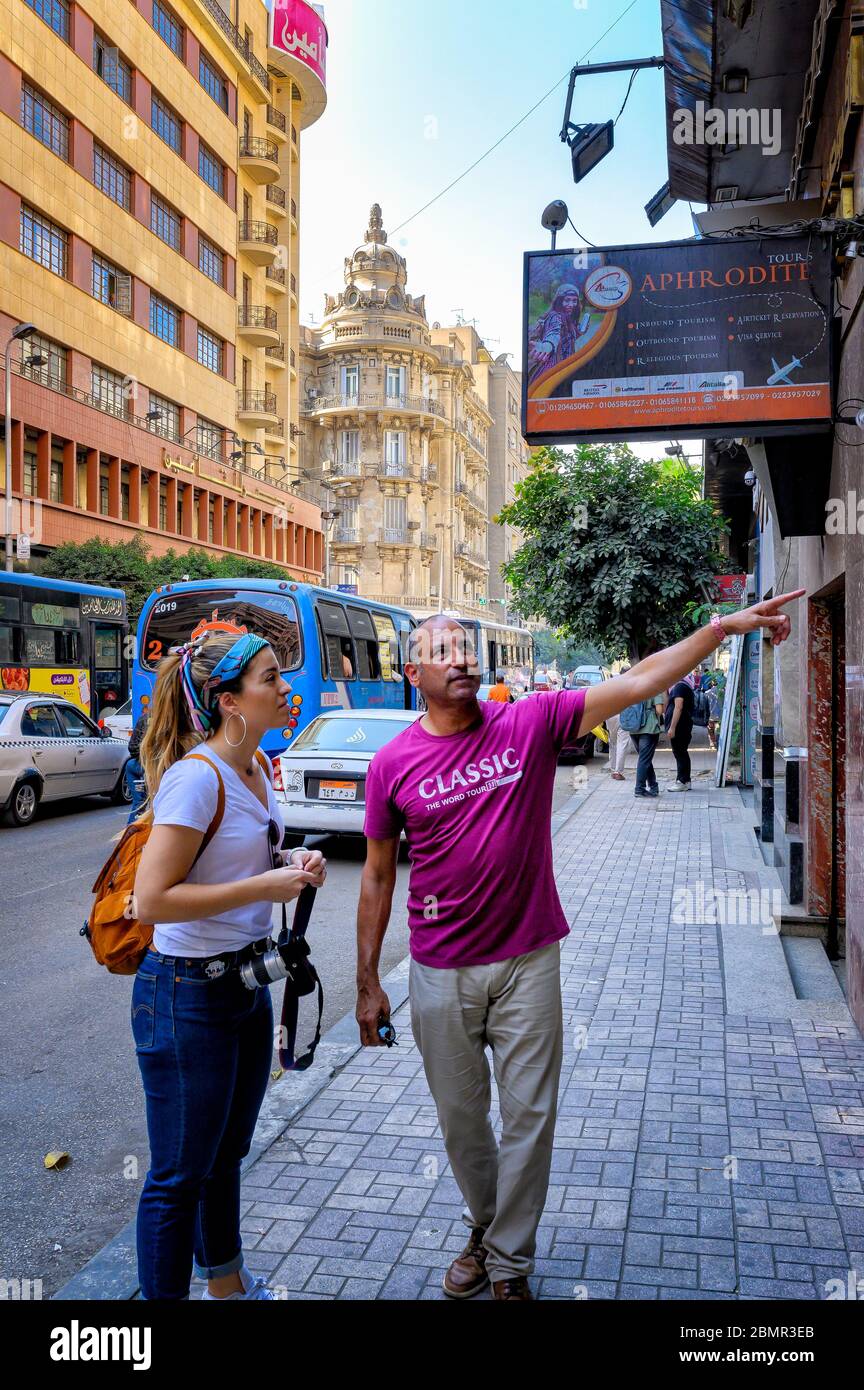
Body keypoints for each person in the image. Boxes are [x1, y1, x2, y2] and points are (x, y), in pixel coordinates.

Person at [354, 589, 802, 1301]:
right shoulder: (392, 765)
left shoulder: (529, 721)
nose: (460, 658)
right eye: (441, 651)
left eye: (464, 646)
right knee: (462, 1121)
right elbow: (376, 876)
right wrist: (369, 981)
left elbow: (642, 678)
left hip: (529, 957)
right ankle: (483, 1221)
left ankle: (507, 1263)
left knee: (531, 1117)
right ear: (415, 673)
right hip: (439, 968)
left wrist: (721, 628)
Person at [131, 631, 327, 1302]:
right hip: (185, 996)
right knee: (178, 1175)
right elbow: (151, 899)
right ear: (229, 701)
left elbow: (245, 864)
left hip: (245, 989)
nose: (284, 688)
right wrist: (261, 889)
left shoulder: (259, 769)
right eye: (271, 678)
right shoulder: (197, 777)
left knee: (225, 1157)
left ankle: (227, 1287)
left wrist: (292, 866)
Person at [527, 284, 589, 387]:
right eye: (567, 300)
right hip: (553, 370)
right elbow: (554, 334)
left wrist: (578, 333)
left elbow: (564, 341)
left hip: (564, 369)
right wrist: (547, 346)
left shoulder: (568, 318)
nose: (571, 304)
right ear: (560, 300)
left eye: (574, 301)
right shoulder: (556, 316)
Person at [665, 666, 700, 791]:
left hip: (680, 727)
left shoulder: (679, 687)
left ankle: (682, 781)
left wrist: (672, 727)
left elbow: (678, 707)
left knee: (680, 753)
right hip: (683, 726)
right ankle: (686, 780)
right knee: (681, 752)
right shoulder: (684, 686)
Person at [633, 689, 666, 798]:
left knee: (645, 758)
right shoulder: (654, 688)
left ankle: (653, 785)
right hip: (648, 728)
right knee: (644, 759)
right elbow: (659, 710)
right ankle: (639, 788)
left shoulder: (632, 687)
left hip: (633, 727)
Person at [605, 664, 631, 780]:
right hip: (624, 715)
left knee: (613, 742)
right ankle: (618, 771)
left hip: (610, 716)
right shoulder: (630, 685)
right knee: (622, 743)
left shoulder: (612, 683)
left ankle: (612, 768)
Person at [125, 707, 150, 822]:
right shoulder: (171, 720)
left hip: (137, 767)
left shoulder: (144, 718)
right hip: (152, 769)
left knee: (139, 803)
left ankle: (130, 835)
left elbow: (132, 747)